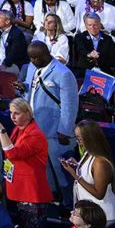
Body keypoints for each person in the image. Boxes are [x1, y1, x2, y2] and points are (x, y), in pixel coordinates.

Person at [0, 99, 50, 228]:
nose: (12, 117)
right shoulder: (19, 129)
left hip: (31, 194)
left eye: (17, 113)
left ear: (28, 114)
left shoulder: (35, 135)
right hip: (20, 190)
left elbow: (12, 153)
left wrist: (0, 129)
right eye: (11, 113)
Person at [22, 42, 77, 194]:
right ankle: (51, 198)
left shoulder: (63, 73)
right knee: (44, 170)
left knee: (61, 172)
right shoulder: (33, 68)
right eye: (31, 58)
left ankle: (68, 204)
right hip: (36, 129)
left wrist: (64, 130)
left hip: (56, 133)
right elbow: (32, 92)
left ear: (46, 55)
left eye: (35, 58)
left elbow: (70, 104)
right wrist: (23, 89)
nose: (33, 61)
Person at [61, 121, 115, 224]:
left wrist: (75, 175)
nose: (77, 141)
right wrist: (77, 165)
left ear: (89, 138)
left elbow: (99, 194)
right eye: (76, 137)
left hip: (105, 216)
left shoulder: (100, 162)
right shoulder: (88, 152)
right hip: (91, 215)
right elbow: (89, 174)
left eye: (79, 138)